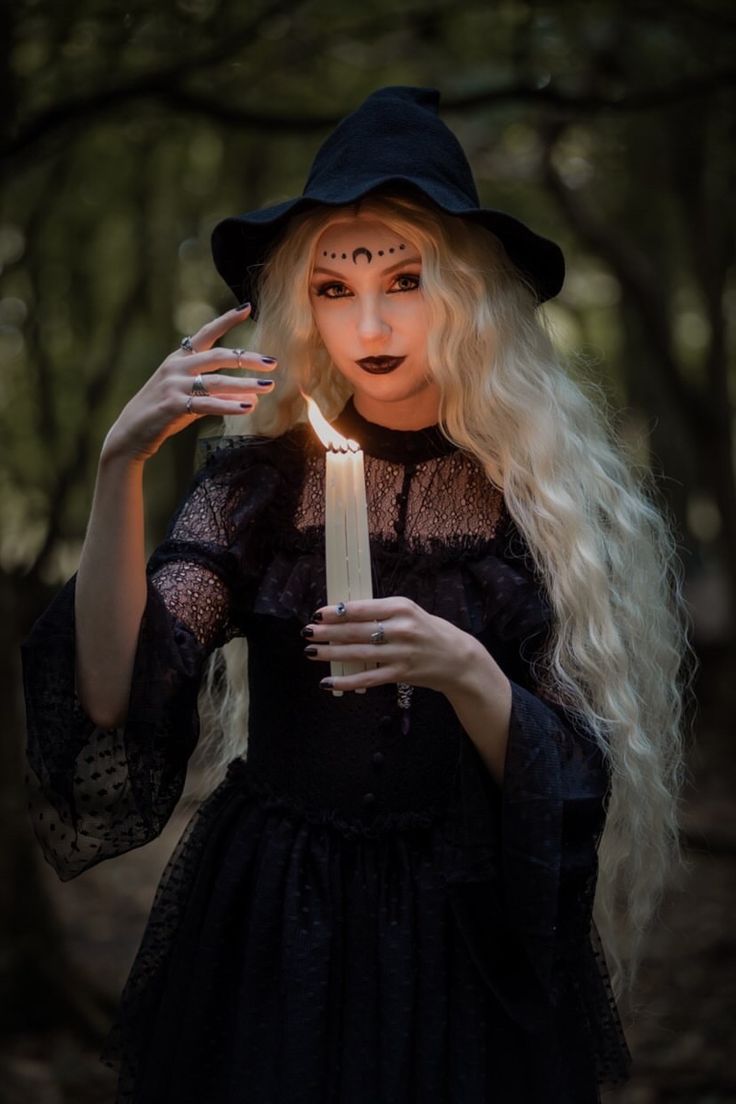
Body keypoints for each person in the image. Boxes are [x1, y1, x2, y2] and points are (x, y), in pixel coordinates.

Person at [21, 86, 691, 1103]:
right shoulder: (253, 489)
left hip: (461, 929)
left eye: (404, 279)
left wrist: (466, 672)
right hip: (273, 914)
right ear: (302, 303)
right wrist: (121, 466)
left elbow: (575, 775)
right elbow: (116, 696)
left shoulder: (537, 502)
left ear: (466, 292)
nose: (368, 321)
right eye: (333, 288)